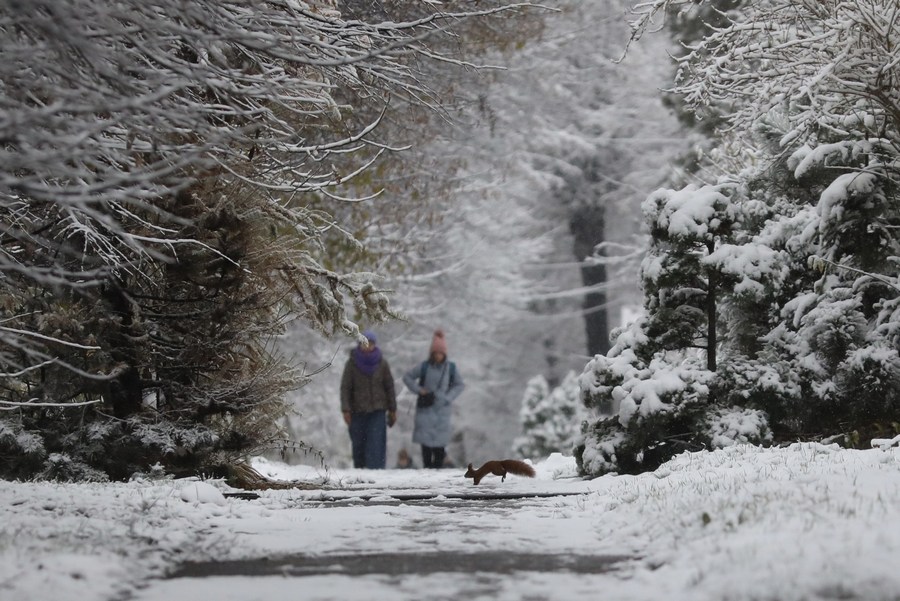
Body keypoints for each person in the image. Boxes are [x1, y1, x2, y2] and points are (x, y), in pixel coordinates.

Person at [402, 329, 465, 469]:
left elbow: (460, 385)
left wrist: (448, 397)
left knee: (440, 446)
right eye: (436, 353)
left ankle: (437, 471)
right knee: (426, 446)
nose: (438, 356)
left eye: (441, 353)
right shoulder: (424, 367)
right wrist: (420, 390)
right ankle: (427, 470)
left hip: (442, 412)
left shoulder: (451, 368)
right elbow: (407, 377)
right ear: (432, 353)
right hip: (426, 409)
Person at [340, 330, 397, 469]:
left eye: (370, 343)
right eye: (364, 343)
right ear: (359, 344)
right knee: (358, 443)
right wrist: (346, 409)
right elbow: (345, 387)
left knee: (376, 443)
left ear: (374, 345)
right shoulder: (352, 364)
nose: (367, 346)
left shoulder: (382, 363)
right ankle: (360, 471)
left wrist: (392, 409)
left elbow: (389, 386)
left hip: (378, 410)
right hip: (357, 410)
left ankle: (376, 472)